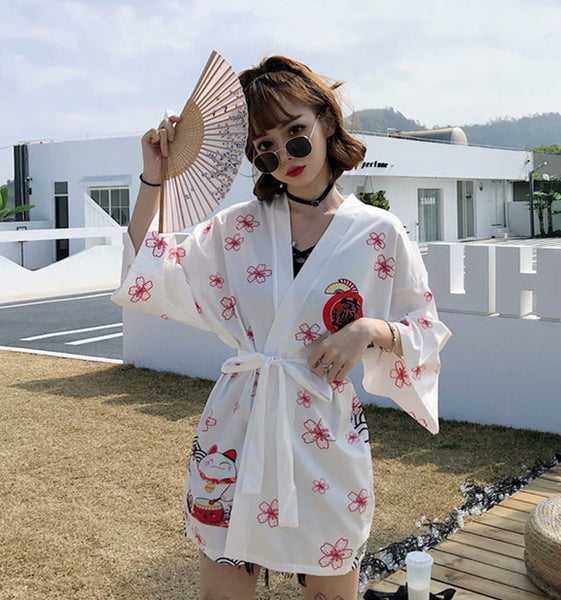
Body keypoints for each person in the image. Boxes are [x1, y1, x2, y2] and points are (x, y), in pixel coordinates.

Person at [112, 55, 450, 600]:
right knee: (221, 594)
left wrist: (368, 329)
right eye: (265, 146)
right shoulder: (237, 228)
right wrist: (155, 175)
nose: (284, 155)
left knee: (330, 594)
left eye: (295, 133)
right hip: (236, 429)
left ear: (326, 121)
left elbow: (425, 330)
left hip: (324, 435)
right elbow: (146, 271)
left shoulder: (378, 233)